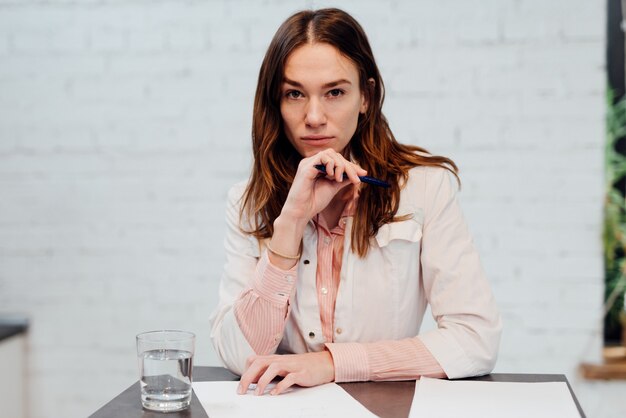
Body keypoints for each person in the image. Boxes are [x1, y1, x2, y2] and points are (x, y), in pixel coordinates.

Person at [210, 7, 501, 396]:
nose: (314, 116)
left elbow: (475, 339)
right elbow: (238, 354)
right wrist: (291, 222)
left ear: (366, 96)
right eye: (294, 94)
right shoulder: (248, 202)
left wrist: (331, 364)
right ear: (275, 104)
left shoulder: (425, 189)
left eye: (335, 92)